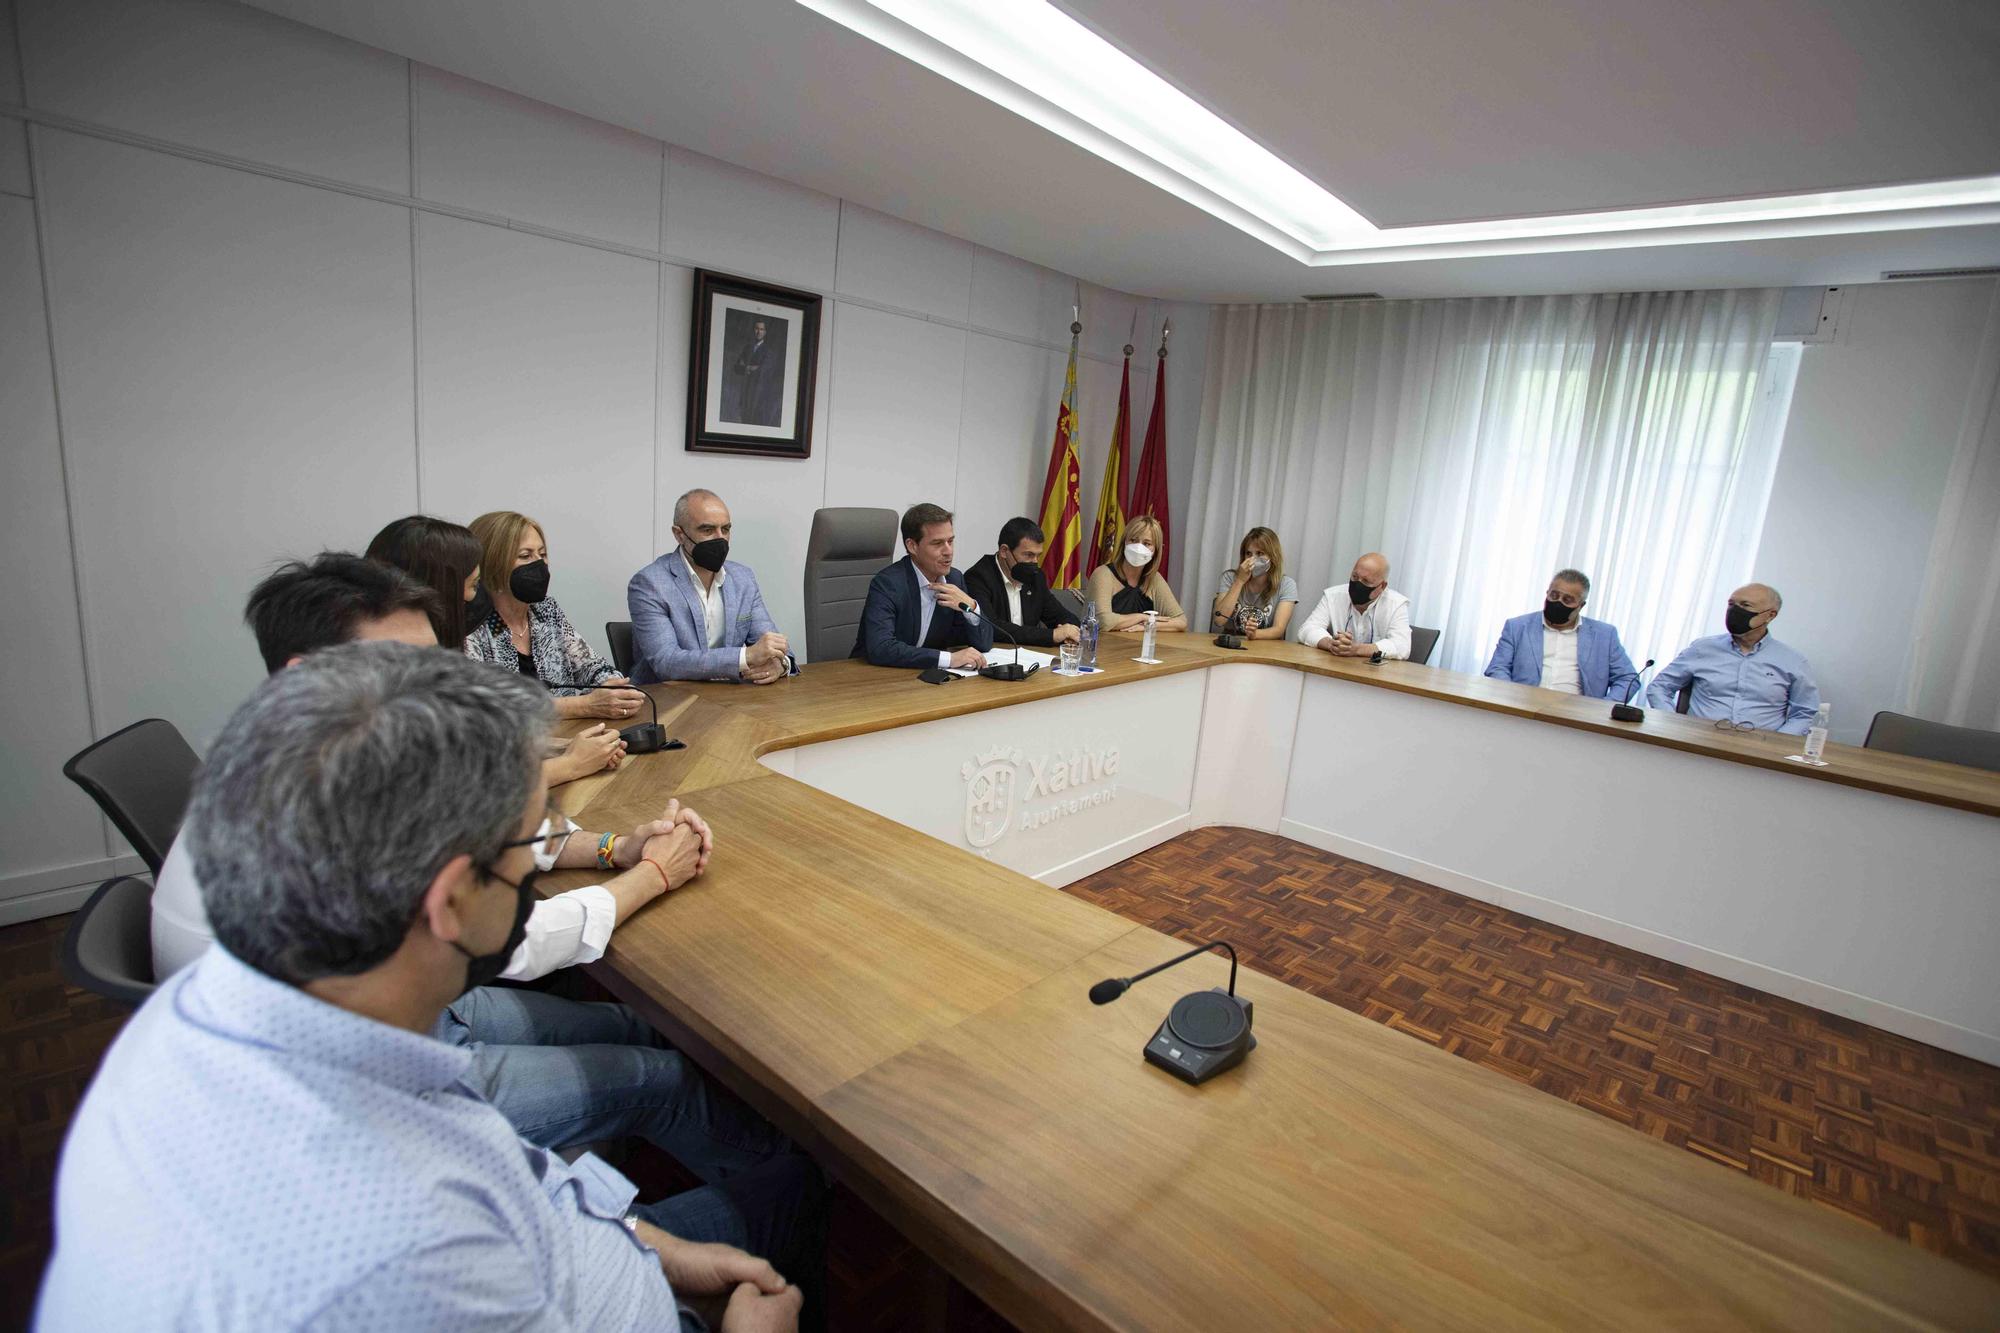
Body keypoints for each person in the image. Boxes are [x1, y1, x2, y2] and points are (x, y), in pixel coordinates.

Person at [41, 644, 819, 1331]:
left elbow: (520, 1180)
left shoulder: (211, 1015)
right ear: (450, 901)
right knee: (809, 1184)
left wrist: (661, 1250)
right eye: (524, 843)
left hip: (612, 1258)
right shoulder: (402, 1250)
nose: (534, 863)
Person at [146, 555, 792, 1196]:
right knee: (663, 1080)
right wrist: (652, 873)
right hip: (375, 1097)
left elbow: (491, 839)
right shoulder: (325, 807)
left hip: (395, 1025)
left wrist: (614, 849)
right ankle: (779, 1197)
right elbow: (512, 938)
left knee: (631, 1022)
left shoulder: (309, 753)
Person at [369, 515, 623, 784]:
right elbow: (469, 784)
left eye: (542, 554)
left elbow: (481, 740)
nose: (473, 598)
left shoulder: (428, 652)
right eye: (472, 586)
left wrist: (565, 747)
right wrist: (571, 763)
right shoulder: (404, 665)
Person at [464, 509, 651, 724]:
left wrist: (615, 687)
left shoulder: (545, 610)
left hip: (567, 737)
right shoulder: (470, 625)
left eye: (542, 555)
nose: (539, 564)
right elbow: (482, 708)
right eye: (525, 556)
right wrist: (583, 705)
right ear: (492, 563)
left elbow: (591, 666)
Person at [628, 489, 791, 685]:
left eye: (726, 529)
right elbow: (667, 662)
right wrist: (745, 656)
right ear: (679, 534)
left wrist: (780, 664)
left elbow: (774, 645)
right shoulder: (649, 583)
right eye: (707, 530)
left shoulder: (743, 578)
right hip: (667, 701)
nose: (719, 538)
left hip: (730, 699)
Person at [1648, 583, 1821, 733]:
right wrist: (1672, 723)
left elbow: (1804, 712)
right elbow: (1660, 687)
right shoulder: (1702, 649)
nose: (1735, 611)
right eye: (1731, 604)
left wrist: (1778, 742)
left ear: (1770, 615)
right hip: (1700, 740)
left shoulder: (1792, 661)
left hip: (1760, 749)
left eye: (1746, 605)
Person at [853, 503, 995, 669]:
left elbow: (983, 644)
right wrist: (949, 659)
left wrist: (971, 607)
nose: (948, 551)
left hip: (922, 677)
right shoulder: (888, 583)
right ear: (912, 546)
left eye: (950, 541)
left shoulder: (954, 580)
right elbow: (881, 648)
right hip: (871, 676)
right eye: (937, 543)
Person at [1483, 568, 1641, 700]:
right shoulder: (1517, 627)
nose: (1558, 602)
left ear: (1581, 605)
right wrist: (1511, 698)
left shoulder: (1605, 635)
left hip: (1578, 717)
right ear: (1547, 593)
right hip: (1524, 707)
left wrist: (1603, 709)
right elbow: (1497, 668)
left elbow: (1628, 678)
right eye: (1554, 595)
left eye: (1567, 599)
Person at [963, 517, 1081, 649]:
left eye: (1038, 555)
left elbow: (1064, 616)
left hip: (1030, 657)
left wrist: (1069, 631)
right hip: (993, 658)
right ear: (1004, 551)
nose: (1034, 562)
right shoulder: (978, 577)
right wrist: (1052, 635)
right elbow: (991, 627)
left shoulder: (1036, 577)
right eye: (1028, 555)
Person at [1085, 514, 1187, 633]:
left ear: (1156, 550)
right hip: (1101, 647)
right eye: (1133, 540)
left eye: (1147, 543)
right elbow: (1103, 621)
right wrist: (1143, 617)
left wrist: (1148, 625)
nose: (1138, 547)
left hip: (1138, 648)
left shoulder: (1154, 579)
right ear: (1124, 543)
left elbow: (1181, 622)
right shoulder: (1103, 574)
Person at [1298, 552, 1412, 659]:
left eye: (1366, 581)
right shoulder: (1333, 596)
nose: (1358, 584)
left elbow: (1402, 646)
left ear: (1382, 586)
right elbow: (1306, 629)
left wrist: (1357, 649)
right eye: (1355, 577)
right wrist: (1331, 644)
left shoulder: (1396, 604)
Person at [1211, 526, 1298, 640]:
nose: (1252, 559)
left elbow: (1279, 629)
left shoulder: (1287, 585)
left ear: (1273, 556)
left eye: (1260, 553)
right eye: (1248, 553)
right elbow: (1219, 621)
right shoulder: (1229, 577)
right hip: (1231, 642)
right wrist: (1239, 581)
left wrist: (1255, 634)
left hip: (1266, 646)